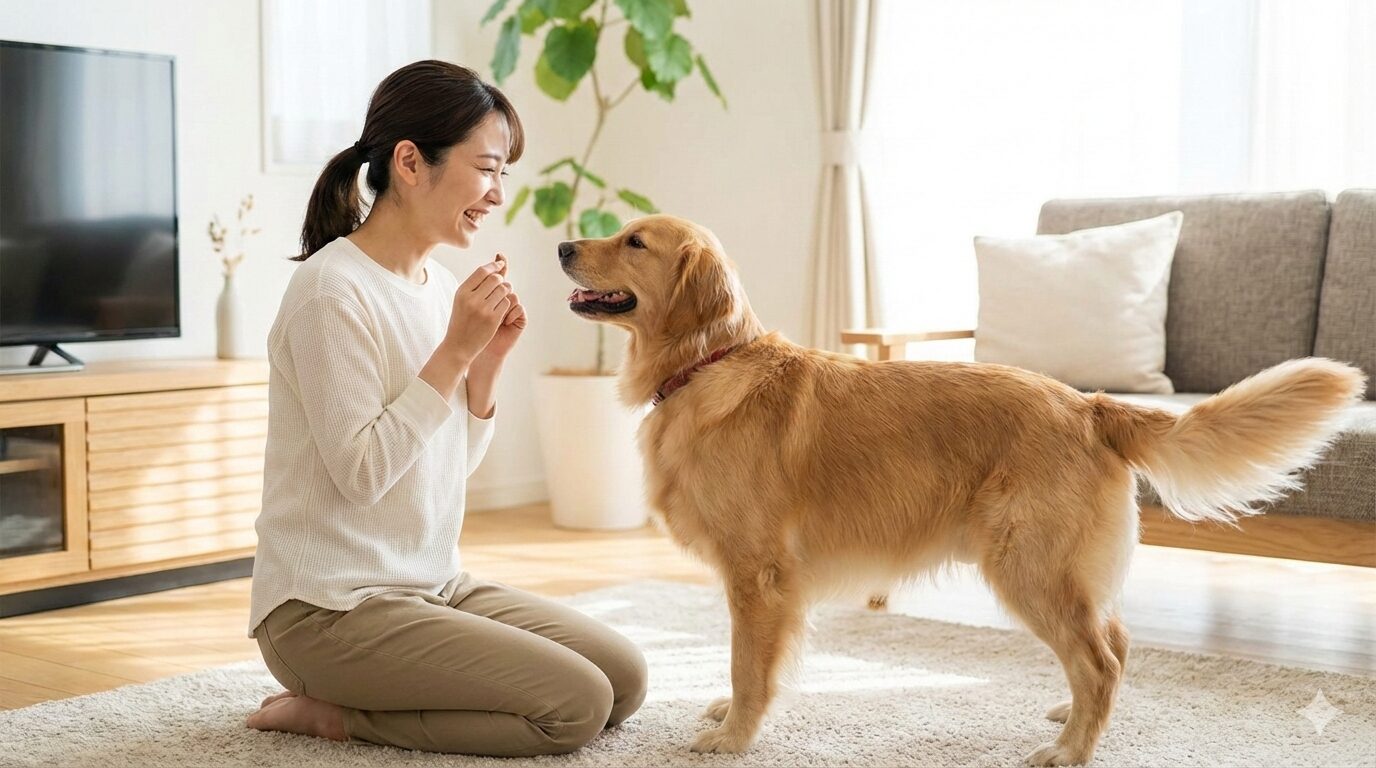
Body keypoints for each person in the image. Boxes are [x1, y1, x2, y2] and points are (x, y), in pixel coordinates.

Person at [243, 60, 647, 756]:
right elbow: (363, 476)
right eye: (487, 169)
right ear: (409, 162)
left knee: (624, 678)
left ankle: (369, 691)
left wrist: (483, 367)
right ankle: (333, 716)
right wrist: (454, 354)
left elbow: (441, 470)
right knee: (575, 708)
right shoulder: (330, 293)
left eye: (502, 175)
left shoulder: (438, 287)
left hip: (429, 584)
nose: (495, 195)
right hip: (326, 611)